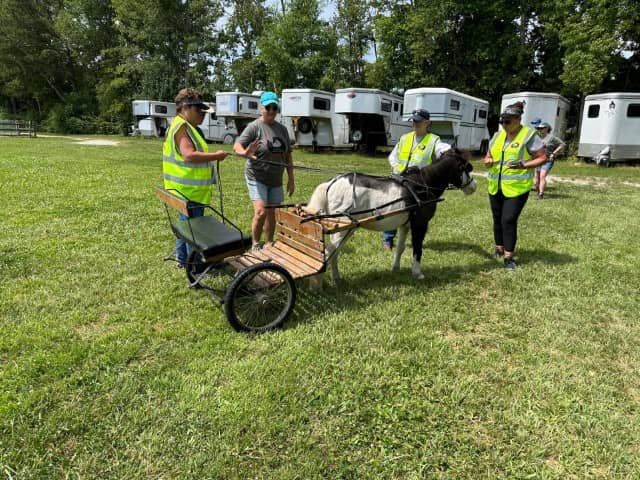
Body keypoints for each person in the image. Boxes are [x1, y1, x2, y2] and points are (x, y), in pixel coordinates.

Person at [163, 87, 229, 266]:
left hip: (184, 190)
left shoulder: (182, 126)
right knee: (194, 231)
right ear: (185, 107)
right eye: (198, 109)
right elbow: (189, 155)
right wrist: (217, 155)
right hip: (189, 192)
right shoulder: (182, 127)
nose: (203, 114)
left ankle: (183, 261)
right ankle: (195, 267)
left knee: (185, 227)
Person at [483, 102, 547, 270]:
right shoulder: (497, 136)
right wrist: (488, 161)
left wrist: (524, 165)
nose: (504, 125)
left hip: (517, 188)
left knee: (508, 220)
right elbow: (488, 156)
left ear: (518, 119)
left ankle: (509, 258)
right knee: (497, 219)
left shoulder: (528, 135)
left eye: (508, 122)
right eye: (502, 122)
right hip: (495, 186)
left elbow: (542, 157)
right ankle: (499, 248)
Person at [382, 108, 451, 250]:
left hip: (418, 184)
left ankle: (415, 237)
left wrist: (448, 152)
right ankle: (388, 240)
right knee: (391, 209)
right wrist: (396, 167)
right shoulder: (404, 138)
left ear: (427, 123)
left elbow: (442, 149)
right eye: (413, 121)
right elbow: (393, 156)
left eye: (418, 121)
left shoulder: (433, 140)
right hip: (399, 179)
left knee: (417, 212)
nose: (415, 123)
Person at [234, 91, 295, 250]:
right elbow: (237, 146)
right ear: (262, 108)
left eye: (275, 108)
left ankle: (268, 242)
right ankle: (255, 243)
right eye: (269, 107)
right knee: (261, 211)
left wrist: (291, 179)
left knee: (272, 212)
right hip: (257, 176)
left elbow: (288, 155)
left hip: (276, 179)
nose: (272, 111)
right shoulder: (254, 127)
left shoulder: (282, 129)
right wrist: (245, 153)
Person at [533, 121, 565, 199]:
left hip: (547, 160)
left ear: (547, 128)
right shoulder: (537, 137)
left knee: (542, 176)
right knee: (537, 177)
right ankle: (538, 190)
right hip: (538, 159)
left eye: (541, 128)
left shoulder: (552, 138)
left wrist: (553, 153)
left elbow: (562, 144)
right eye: (538, 128)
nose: (539, 129)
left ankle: (541, 194)